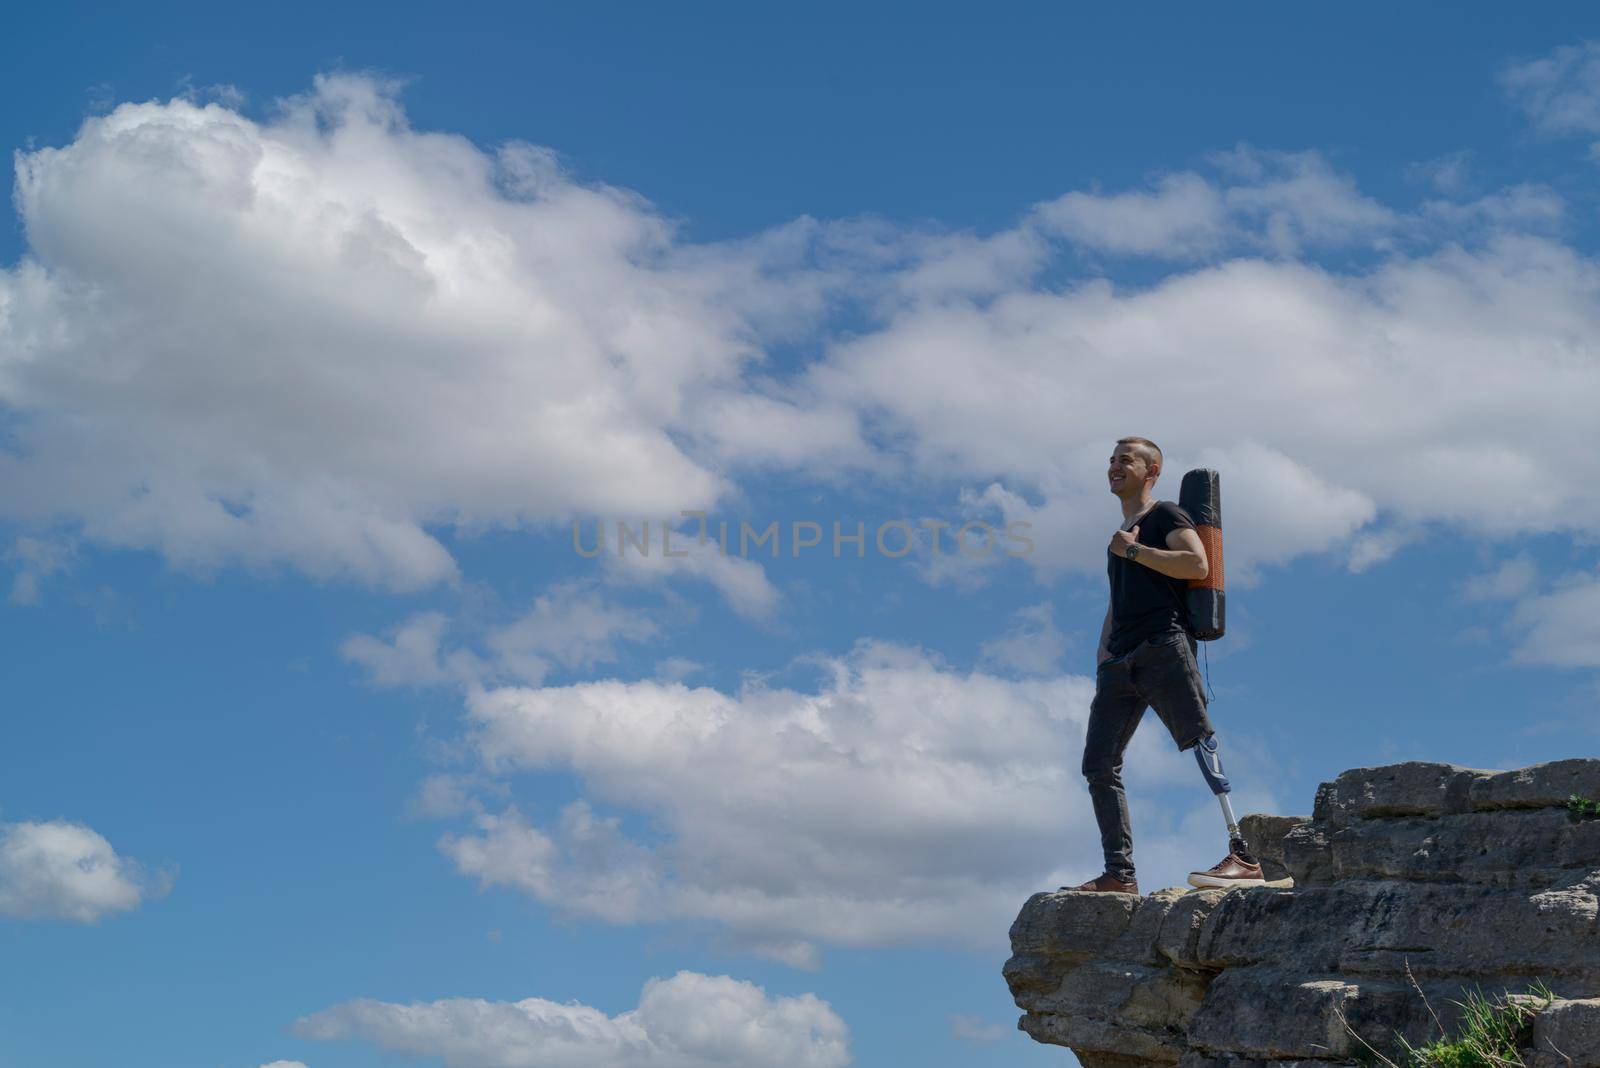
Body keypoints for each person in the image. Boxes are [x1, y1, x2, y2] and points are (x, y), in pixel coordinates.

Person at [1065, 437, 1265, 895]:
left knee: (1198, 738)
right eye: (1112, 460)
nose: (1114, 466)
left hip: (1162, 645)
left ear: (1151, 471)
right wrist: (1104, 655)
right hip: (1119, 662)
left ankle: (1244, 856)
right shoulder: (1121, 535)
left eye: (1126, 460)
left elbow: (1196, 563)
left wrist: (1134, 551)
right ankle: (1120, 874)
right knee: (1099, 764)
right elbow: (1119, 601)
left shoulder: (1166, 514)